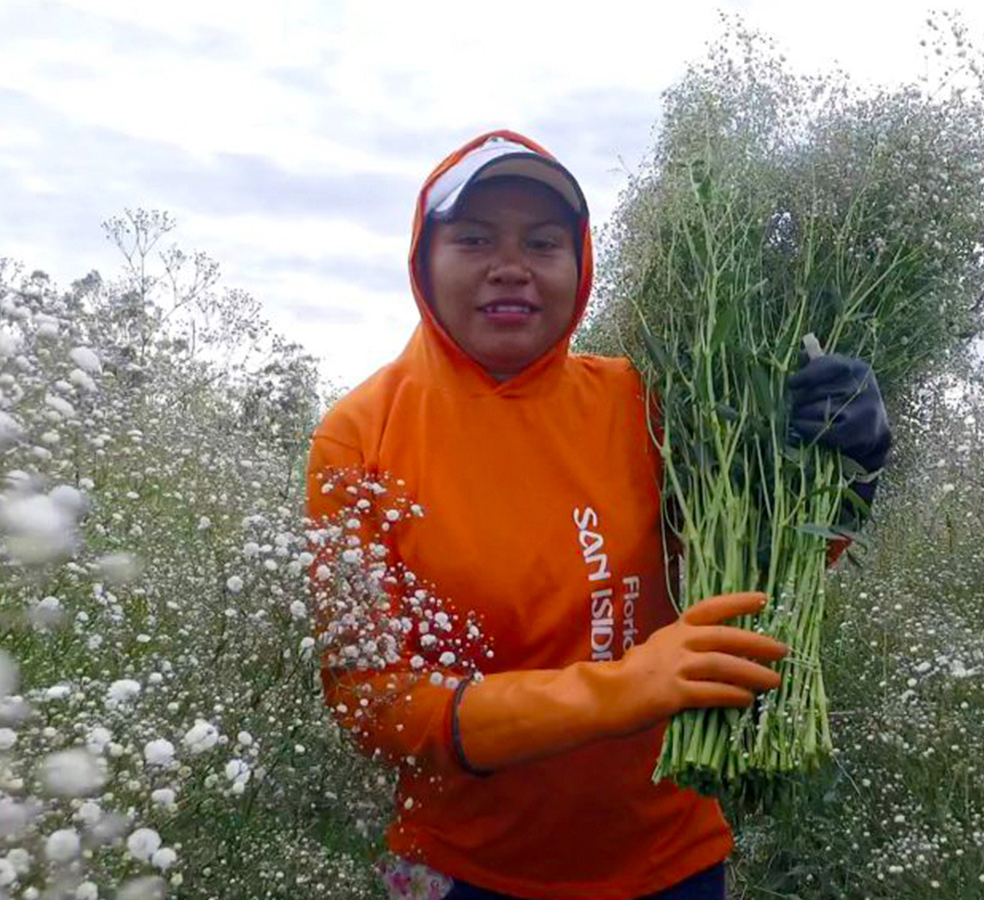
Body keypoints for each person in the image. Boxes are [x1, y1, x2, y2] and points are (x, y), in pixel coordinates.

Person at [305, 130, 891, 900]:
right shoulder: (360, 435)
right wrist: (622, 690)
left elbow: (754, 577)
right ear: (422, 259)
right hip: (452, 869)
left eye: (543, 242)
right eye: (475, 238)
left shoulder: (645, 401)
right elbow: (372, 702)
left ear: (578, 266)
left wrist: (843, 477)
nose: (510, 265)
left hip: (670, 862)